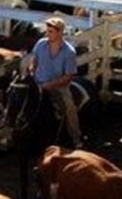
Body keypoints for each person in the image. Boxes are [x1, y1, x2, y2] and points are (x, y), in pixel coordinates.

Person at [29, 17, 83, 148]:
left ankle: (76, 137)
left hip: (58, 87)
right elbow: (34, 59)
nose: (47, 34)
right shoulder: (41, 43)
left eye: (51, 31)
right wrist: (31, 70)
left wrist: (49, 85)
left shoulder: (69, 52)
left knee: (69, 106)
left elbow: (68, 76)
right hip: (38, 82)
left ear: (60, 32)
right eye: (47, 31)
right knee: (20, 100)